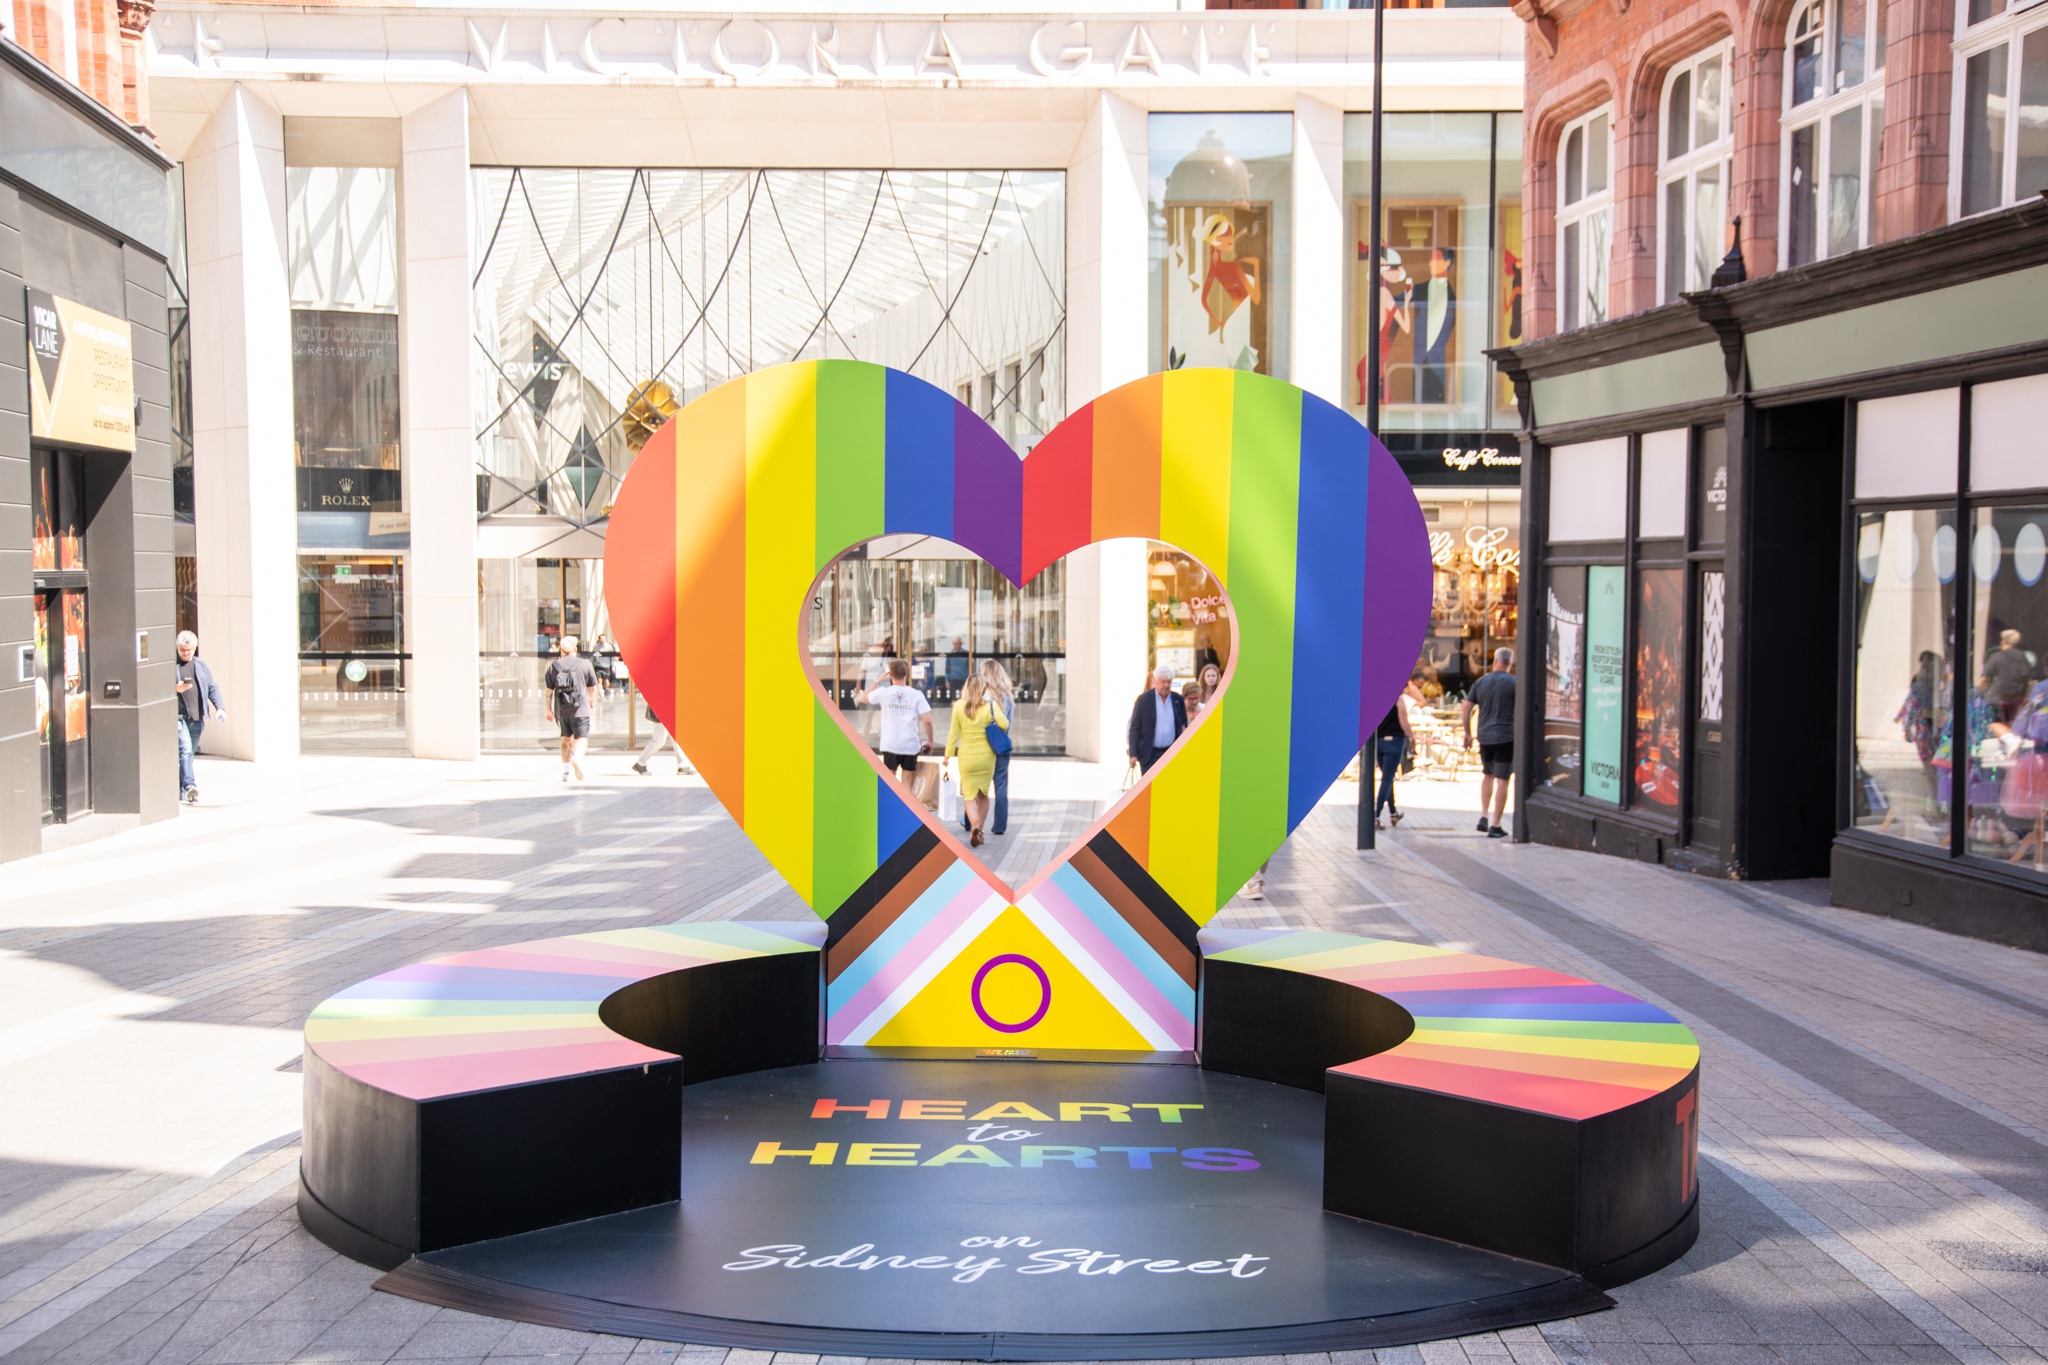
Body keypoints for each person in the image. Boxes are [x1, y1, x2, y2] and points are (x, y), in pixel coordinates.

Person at [943, 675, 1010, 848]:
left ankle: (975, 825)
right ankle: (979, 827)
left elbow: (953, 733)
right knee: (983, 794)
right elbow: (1005, 724)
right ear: (983, 688)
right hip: (986, 757)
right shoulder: (990, 706)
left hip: (966, 757)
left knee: (969, 795)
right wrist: (991, 704)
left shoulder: (958, 706)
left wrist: (947, 755)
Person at [1461, 646, 1516, 839]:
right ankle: (1496, 825)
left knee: (1487, 775)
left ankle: (1483, 816)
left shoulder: (1481, 681)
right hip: (1506, 737)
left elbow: (1466, 708)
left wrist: (1467, 733)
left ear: (1495, 661)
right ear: (1510, 663)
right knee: (1503, 780)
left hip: (1484, 736)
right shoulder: (1514, 683)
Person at [857, 659, 933, 784]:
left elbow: (864, 697)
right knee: (906, 784)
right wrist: (930, 741)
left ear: (890, 675)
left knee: (891, 784)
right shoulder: (916, 694)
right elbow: (928, 720)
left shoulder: (884, 692)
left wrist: (878, 680)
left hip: (890, 745)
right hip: (910, 745)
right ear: (907, 674)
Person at [172, 631, 224, 806]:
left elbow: (211, 687)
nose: (186, 653)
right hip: (178, 717)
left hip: (197, 718)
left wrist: (219, 708)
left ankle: (180, 789)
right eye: (182, 650)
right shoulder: (172, 666)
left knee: (187, 756)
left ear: (195, 648)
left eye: (189, 650)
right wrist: (174, 689)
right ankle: (190, 787)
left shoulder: (200, 665)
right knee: (185, 751)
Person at [1373, 671, 1425, 829]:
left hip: (1379, 742)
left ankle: (1393, 813)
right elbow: (1403, 722)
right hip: (1394, 741)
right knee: (1387, 779)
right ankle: (1375, 815)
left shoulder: (1378, 699)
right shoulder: (1398, 699)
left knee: (1388, 778)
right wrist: (1411, 737)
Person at [545, 635, 600, 782]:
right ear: (575, 649)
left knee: (565, 739)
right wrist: (591, 702)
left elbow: (549, 691)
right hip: (581, 709)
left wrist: (548, 709)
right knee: (582, 738)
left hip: (562, 710)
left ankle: (566, 773)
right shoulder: (585, 664)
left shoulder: (554, 666)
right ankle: (577, 758)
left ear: (561, 650)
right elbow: (592, 688)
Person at [1127, 666, 1188, 775]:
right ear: (1155, 681)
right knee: (1151, 788)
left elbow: (1183, 723)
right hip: (1150, 755)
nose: (1166, 685)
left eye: (1169, 682)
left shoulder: (1177, 700)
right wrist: (1133, 754)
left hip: (1171, 753)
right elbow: (1135, 727)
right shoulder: (1144, 700)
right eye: (1163, 682)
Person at [979, 660, 1017, 836]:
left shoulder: (983, 696)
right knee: (1001, 786)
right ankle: (1000, 826)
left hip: (984, 746)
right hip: (1001, 745)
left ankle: (971, 821)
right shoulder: (1008, 696)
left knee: (977, 785)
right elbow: (1008, 724)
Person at [1982, 629, 2034, 724]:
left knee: (1994, 724)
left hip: (1997, 700)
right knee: (2009, 723)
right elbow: (2029, 681)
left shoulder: (1996, 657)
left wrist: (1981, 693)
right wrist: (2025, 698)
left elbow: (1984, 680)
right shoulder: (2023, 658)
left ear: (2004, 641)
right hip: (2015, 700)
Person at [631, 700, 693, 776]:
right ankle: (683, 766)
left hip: (662, 708)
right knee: (671, 737)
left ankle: (641, 763)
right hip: (664, 708)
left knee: (659, 740)